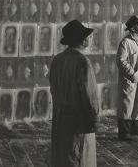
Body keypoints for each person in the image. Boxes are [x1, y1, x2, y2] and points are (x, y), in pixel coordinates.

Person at [50, 20, 99, 166]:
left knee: (63, 157)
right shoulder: (82, 62)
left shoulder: (57, 60)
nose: (89, 39)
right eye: (87, 36)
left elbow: (53, 88)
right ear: (82, 40)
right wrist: (94, 120)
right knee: (80, 157)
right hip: (79, 121)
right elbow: (90, 96)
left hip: (60, 120)